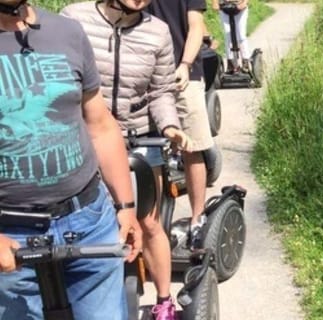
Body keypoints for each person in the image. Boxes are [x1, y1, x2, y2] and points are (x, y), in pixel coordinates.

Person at [0, 1, 143, 319]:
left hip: (90, 219)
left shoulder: (67, 32)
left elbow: (100, 126)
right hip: (10, 235)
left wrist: (126, 207)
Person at [60, 0, 191, 318]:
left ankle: (164, 301)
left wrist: (170, 126)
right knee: (83, 220)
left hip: (140, 137)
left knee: (149, 222)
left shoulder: (157, 32)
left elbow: (160, 91)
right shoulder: (74, 18)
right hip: (86, 138)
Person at [146, 0, 215, 248]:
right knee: (146, 151)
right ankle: (154, 226)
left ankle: (197, 218)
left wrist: (185, 65)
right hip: (146, 73)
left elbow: (196, 25)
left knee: (192, 148)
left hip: (183, 75)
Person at [212, 0, 249, 71]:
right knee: (228, 36)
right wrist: (215, 3)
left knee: (241, 35)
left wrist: (245, 2)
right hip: (224, 7)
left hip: (240, 7)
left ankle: (245, 61)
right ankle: (231, 63)